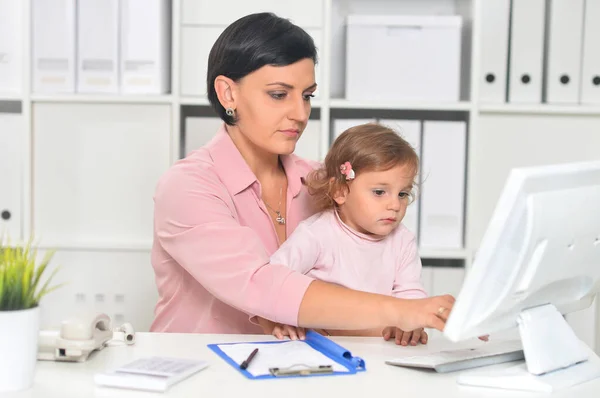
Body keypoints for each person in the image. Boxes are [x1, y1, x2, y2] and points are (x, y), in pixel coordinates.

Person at [150, 12, 454, 337]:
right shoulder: (188, 187)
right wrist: (403, 310)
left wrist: (411, 304)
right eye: (279, 94)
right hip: (200, 372)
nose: (300, 114)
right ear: (228, 93)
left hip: (299, 369)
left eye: (307, 96)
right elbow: (259, 285)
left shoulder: (323, 182)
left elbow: (381, 246)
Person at [256, 123, 430, 346]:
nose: (395, 204)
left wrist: (412, 322)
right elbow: (274, 278)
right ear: (340, 191)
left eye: (403, 193)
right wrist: (279, 317)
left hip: (379, 348)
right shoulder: (317, 234)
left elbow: (410, 290)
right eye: (379, 192)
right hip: (321, 346)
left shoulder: (402, 239)